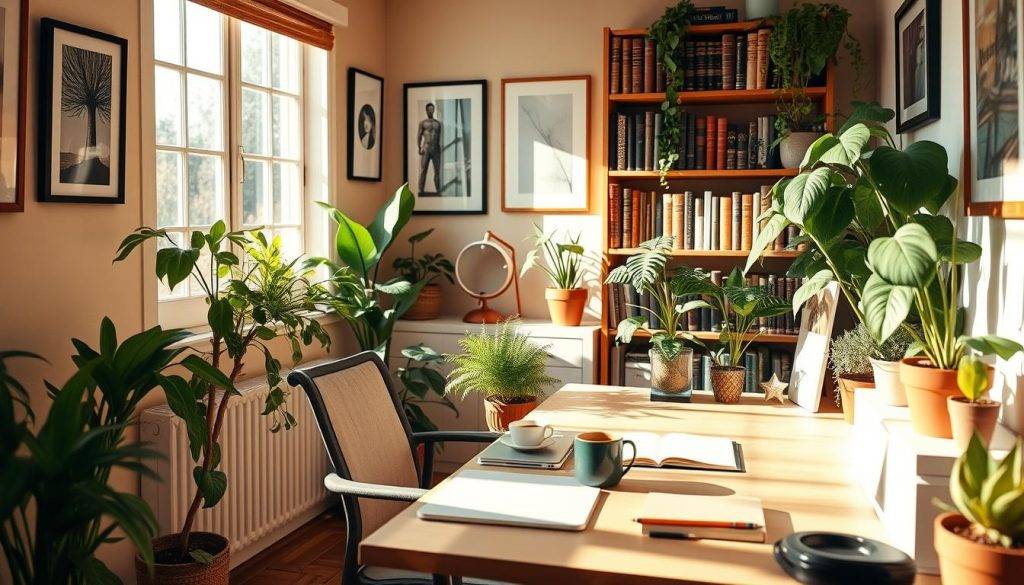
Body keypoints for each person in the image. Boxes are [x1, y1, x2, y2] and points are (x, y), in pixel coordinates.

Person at [417, 102, 442, 194]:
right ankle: (421, 189)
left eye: (432, 109)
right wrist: (419, 147)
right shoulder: (423, 123)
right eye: (429, 109)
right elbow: (419, 136)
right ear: (426, 110)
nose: (431, 111)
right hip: (426, 147)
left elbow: (438, 137)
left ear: (434, 110)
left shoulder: (438, 123)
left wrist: (439, 149)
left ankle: (438, 190)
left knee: (437, 171)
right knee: (423, 170)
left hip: (436, 148)